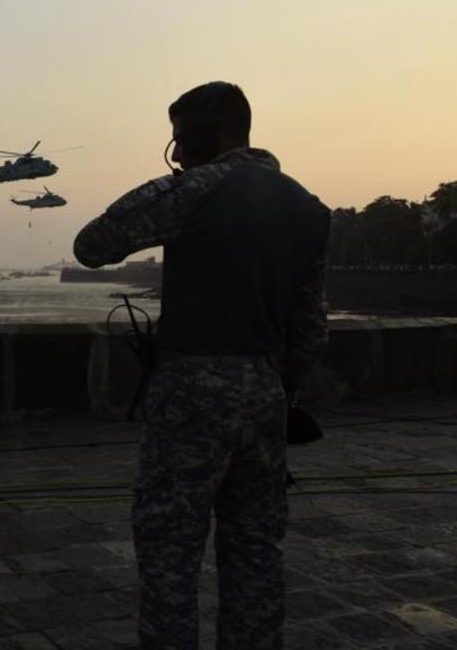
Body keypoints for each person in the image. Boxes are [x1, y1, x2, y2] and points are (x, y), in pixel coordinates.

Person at [73, 82, 330, 649]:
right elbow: (310, 329)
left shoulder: (200, 188)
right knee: (257, 549)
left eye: (179, 139)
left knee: (170, 551)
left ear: (203, 136)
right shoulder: (308, 208)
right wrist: (277, 390)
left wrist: (183, 179)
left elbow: (93, 244)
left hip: (192, 391)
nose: (176, 151)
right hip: (265, 392)